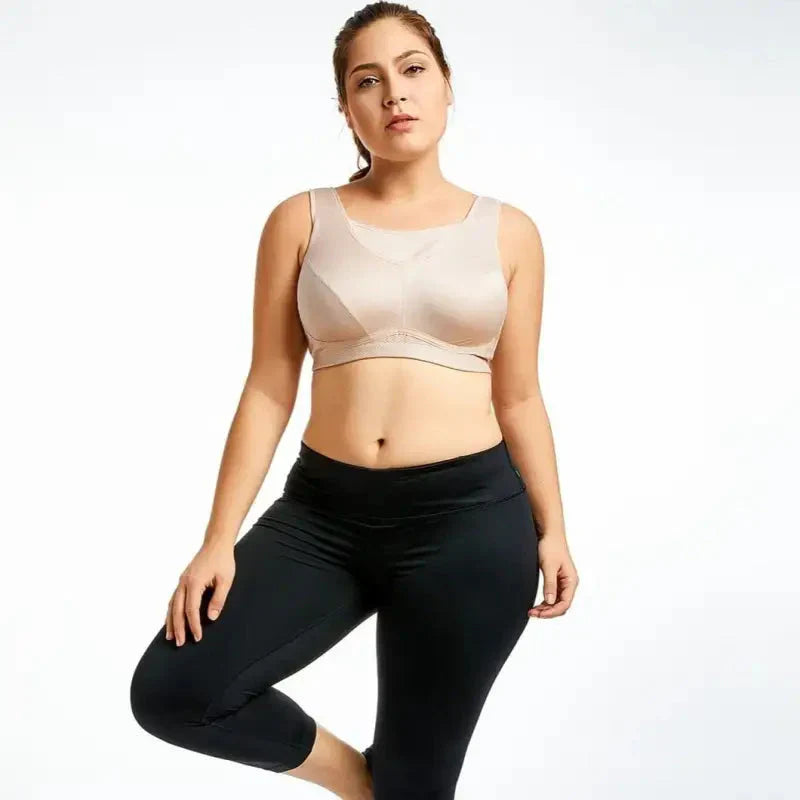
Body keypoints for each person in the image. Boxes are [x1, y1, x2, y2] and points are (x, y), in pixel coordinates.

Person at [129, 3, 579, 799]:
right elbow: (269, 385)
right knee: (175, 690)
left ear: (446, 87)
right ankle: (361, 784)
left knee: (418, 785)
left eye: (413, 70)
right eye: (367, 81)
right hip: (322, 519)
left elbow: (519, 398)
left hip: (470, 527)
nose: (394, 93)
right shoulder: (301, 220)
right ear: (346, 109)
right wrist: (217, 539)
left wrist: (555, 529)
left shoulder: (510, 233)